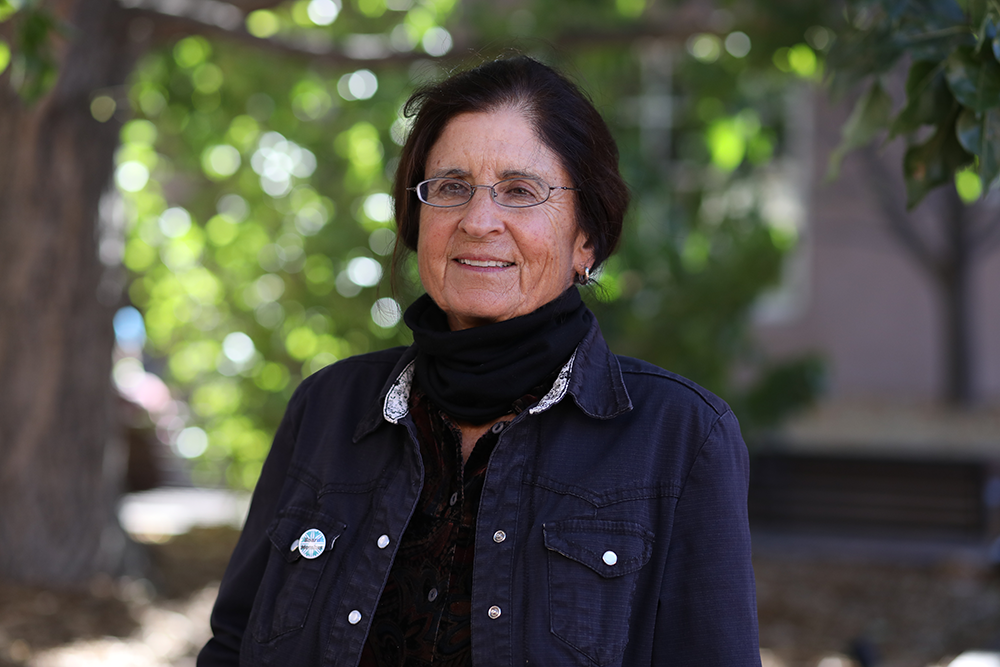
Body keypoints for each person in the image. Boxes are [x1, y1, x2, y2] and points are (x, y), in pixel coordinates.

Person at [198, 55, 760, 667]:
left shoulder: (680, 436)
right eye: (451, 188)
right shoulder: (327, 409)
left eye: (520, 191)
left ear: (587, 239)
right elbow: (232, 645)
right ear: (417, 220)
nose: (478, 221)